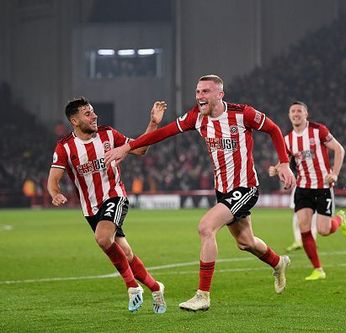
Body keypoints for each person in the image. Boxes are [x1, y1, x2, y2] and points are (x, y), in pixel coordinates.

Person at [105, 74, 296, 312]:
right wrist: (128, 146)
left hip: (245, 187)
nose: (199, 96)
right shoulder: (195, 116)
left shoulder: (242, 114)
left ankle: (203, 295)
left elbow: (274, 129)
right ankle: (279, 263)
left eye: (205, 91)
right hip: (223, 190)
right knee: (245, 242)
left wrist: (285, 163)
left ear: (219, 94)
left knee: (206, 227)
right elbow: (162, 133)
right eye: (197, 92)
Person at [47, 97, 167, 313]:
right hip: (91, 209)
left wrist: (153, 124)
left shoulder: (108, 134)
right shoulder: (65, 147)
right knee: (126, 254)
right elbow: (53, 180)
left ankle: (133, 288)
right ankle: (156, 287)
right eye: (87, 113)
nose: (94, 116)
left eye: (93, 112)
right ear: (74, 120)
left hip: (114, 197)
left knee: (103, 238)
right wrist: (55, 194)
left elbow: (140, 149)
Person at [270, 101, 346, 281]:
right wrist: (276, 169)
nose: (296, 114)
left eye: (299, 111)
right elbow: (285, 161)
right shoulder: (288, 139)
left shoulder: (318, 130)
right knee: (304, 228)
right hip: (303, 188)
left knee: (323, 230)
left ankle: (340, 219)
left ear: (306, 114)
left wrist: (335, 174)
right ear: (289, 115)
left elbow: (339, 149)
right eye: (293, 111)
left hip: (322, 188)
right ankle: (318, 269)